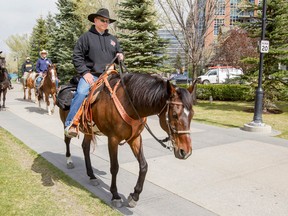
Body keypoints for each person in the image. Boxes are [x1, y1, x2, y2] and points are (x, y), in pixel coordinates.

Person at [64, 8, 124, 138]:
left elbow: (119, 52)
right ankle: (71, 124)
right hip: (92, 75)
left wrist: (121, 56)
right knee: (81, 93)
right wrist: (85, 73)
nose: (105, 23)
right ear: (95, 20)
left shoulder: (112, 39)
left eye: (107, 21)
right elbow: (77, 56)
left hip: (111, 75)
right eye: (103, 20)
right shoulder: (86, 38)